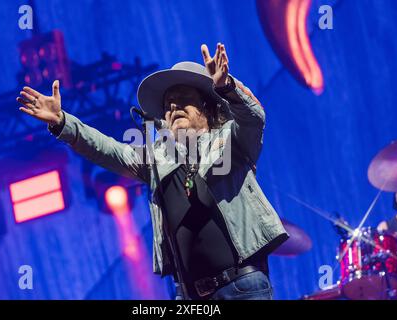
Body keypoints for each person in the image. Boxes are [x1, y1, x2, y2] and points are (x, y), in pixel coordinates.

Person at [16, 43, 288, 300]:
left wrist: (226, 87)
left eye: (183, 100)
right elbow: (109, 150)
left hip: (242, 287)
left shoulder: (231, 139)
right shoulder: (158, 158)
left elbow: (253, 118)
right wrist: (64, 123)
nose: (173, 108)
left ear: (206, 106)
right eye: (168, 105)